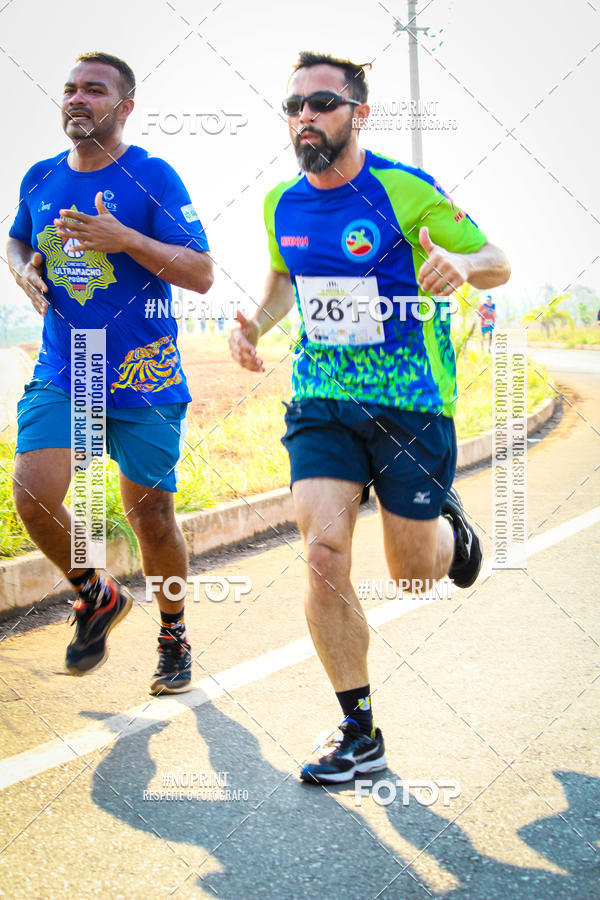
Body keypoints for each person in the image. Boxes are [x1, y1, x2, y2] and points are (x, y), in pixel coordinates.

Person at [229, 52, 510, 784]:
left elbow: (497, 258)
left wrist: (463, 265)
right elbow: (284, 280)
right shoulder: (281, 204)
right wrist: (254, 325)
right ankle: (359, 731)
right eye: (294, 105)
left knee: (411, 574)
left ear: (358, 112)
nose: (305, 116)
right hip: (322, 400)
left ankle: (451, 532)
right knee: (324, 554)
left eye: (321, 102)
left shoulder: (403, 188)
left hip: (410, 402)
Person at [7, 52, 213, 694]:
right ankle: (97, 593)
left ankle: (173, 636)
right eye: (70, 88)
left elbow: (202, 273)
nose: (77, 98)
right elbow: (16, 238)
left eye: (94, 90)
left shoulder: (152, 176)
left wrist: (126, 239)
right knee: (33, 492)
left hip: (144, 375)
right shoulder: (40, 177)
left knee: (150, 518)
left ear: (125, 107)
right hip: (67, 365)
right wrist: (20, 268)